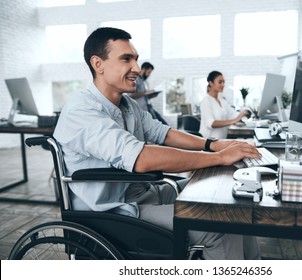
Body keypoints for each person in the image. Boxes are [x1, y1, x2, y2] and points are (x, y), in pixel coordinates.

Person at [53, 27, 262, 260]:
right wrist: (218, 158)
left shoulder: (128, 105)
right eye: (126, 59)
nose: (136, 68)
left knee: (232, 209)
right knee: (219, 226)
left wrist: (213, 145)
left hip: (144, 192)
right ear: (97, 64)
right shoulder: (82, 110)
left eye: (136, 59)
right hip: (114, 212)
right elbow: (141, 158)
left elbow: (164, 133)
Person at [199, 71, 250, 139]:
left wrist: (244, 112)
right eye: (220, 82)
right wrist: (233, 121)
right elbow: (211, 123)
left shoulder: (222, 100)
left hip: (221, 141)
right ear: (211, 83)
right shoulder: (206, 101)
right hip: (209, 142)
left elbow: (233, 114)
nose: (223, 85)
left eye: (223, 82)